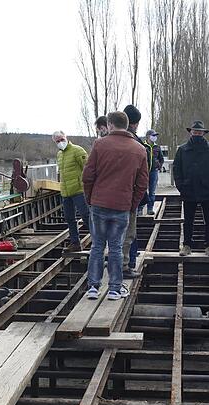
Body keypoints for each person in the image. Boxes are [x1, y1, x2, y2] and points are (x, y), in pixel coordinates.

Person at [83, 111, 148, 301]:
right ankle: (114, 289)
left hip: (99, 204)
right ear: (127, 125)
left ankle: (93, 287)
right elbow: (142, 183)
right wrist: (132, 204)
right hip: (122, 206)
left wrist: (90, 199)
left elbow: (87, 176)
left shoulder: (99, 145)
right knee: (116, 248)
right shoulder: (139, 149)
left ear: (110, 125)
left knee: (97, 247)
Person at [173, 120, 209, 257]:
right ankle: (187, 245)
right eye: (195, 131)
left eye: (199, 132)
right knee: (188, 220)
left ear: (203, 133)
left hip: (207, 190)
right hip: (188, 190)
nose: (197, 134)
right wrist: (181, 186)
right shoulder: (182, 149)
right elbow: (176, 169)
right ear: (190, 132)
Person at [122, 104, 148, 278]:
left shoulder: (104, 142)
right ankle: (127, 265)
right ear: (135, 123)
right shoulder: (136, 143)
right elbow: (142, 177)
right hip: (129, 196)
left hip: (108, 199)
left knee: (110, 237)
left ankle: (124, 263)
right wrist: (138, 199)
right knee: (129, 233)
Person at [53, 131, 89, 253]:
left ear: (66, 138)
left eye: (61, 139)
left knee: (86, 215)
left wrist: (86, 185)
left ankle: (98, 239)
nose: (60, 142)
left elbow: (87, 168)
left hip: (79, 190)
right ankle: (75, 243)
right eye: (57, 141)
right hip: (66, 192)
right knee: (69, 218)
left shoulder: (78, 150)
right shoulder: (59, 154)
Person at [141, 129, 164, 215]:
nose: (155, 137)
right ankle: (140, 209)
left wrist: (159, 166)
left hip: (154, 172)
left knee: (152, 191)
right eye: (153, 135)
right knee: (142, 190)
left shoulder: (157, 147)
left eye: (155, 136)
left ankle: (150, 209)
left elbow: (161, 159)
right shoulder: (142, 146)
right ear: (148, 136)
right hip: (143, 172)